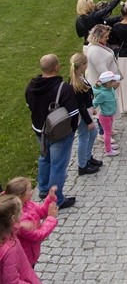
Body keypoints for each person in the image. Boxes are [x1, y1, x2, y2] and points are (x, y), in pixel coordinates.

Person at [25, 54, 79, 209]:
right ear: (56, 67)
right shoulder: (64, 88)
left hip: (39, 130)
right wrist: (71, 131)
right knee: (58, 165)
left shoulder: (31, 86)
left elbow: (30, 105)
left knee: (44, 158)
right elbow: (73, 114)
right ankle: (56, 199)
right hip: (59, 133)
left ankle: (42, 189)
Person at [2, 178, 58, 267]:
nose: (32, 191)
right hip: (25, 258)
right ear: (20, 195)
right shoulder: (21, 222)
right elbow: (38, 235)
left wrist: (50, 199)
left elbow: (41, 211)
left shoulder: (27, 203)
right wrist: (51, 218)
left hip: (30, 253)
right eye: (30, 190)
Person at [69, 53, 103, 175]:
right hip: (83, 116)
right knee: (84, 137)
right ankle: (82, 165)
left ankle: (88, 158)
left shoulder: (80, 77)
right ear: (82, 65)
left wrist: (92, 107)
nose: (87, 65)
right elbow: (80, 106)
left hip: (87, 111)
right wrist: (88, 121)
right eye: (86, 63)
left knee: (93, 134)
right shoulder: (76, 83)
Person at [0, 194, 41, 283]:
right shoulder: (10, 251)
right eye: (20, 211)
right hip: (24, 278)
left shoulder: (4, 231)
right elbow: (12, 281)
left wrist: (20, 225)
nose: (22, 212)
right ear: (13, 218)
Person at [93, 71, 121, 157]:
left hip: (110, 115)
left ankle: (108, 145)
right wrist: (93, 109)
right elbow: (95, 103)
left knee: (107, 132)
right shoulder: (102, 94)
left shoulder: (110, 89)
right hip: (105, 116)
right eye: (114, 81)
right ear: (109, 83)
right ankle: (108, 150)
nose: (116, 82)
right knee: (107, 133)